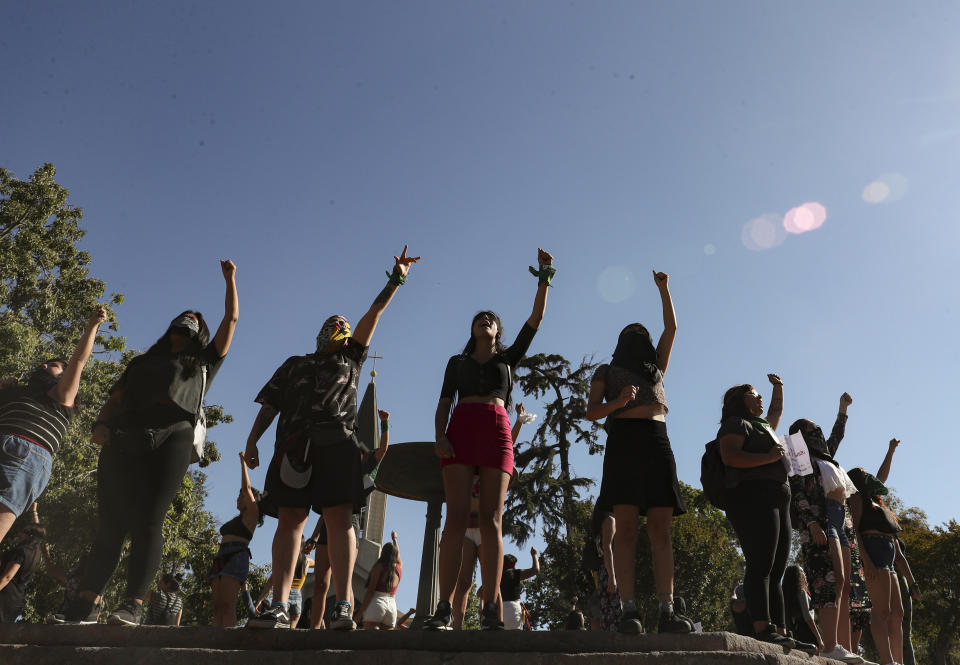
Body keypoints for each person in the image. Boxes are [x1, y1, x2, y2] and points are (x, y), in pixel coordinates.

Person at [245, 247, 419, 631]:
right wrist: (253, 439)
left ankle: (344, 605)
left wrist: (396, 279)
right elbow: (270, 404)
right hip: (293, 444)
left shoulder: (352, 359)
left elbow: (372, 316)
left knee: (339, 518)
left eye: (342, 323)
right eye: (331, 323)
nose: (337, 327)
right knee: (290, 518)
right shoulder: (294, 364)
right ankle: (277, 604)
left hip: (338, 442)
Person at [63, 260, 238, 626]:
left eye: (193, 321)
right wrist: (100, 425)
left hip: (172, 434)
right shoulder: (142, 362)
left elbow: (230, 322)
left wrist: (230, 280)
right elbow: (114, 399)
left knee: (148, 521)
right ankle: (85, 603)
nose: (186, 323)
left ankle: (133, 604)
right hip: (124, 436)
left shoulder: (203, 361)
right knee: (110, 524)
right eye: (182, 318)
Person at [425, 249, 553, 631]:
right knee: (456, 518)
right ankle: (444, 608)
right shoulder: (457, 363)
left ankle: (491, 607)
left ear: (497, 331)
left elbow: (536, 320)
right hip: (461, 427)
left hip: (496, 428)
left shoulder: (508, 359)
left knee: (493, 520)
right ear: (472, 330)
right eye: (479, 319)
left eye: (491, 320)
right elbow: (444, 402)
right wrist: (440, 436)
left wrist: (545, 276)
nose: (484, 321)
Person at [585, 270, 691, 634]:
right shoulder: (606, 369)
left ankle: (667, 609)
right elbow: (591, 411)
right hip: (624, 442)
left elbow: (672, 329)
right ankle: (629, 610)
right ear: (619, 342)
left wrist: (664, 289)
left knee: (661, 528)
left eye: (640, 333)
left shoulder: (657, 368)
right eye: (630, 333)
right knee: (626, 528)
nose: (637, 336)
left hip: (657, 440)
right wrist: (617, 401)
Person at [0, 307, 108, 546]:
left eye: (54, 365)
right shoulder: (16, 394)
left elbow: (79, 361)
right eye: (45, 363)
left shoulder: (61, 395)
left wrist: (93, 325)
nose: (45, 366)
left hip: (26, 455)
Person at [716, 375, 794, 648]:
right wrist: (768, 458)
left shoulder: (763, 426)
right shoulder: (735, 424)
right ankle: (762, 627)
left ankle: (781, 631)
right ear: (739, 401)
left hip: (780, 497)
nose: (760, 398)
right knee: (761, 562)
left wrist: (778, 387)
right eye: (754, 394)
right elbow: (730, 456)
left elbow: (775, 412)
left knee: (777, 568)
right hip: (754, 496)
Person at [788, 393, 864, 663]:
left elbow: (837, 435)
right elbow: (798, 494)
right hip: (819, 524)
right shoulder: (799, 458)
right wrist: (810, 523)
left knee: (843, 583)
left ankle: (844, 648)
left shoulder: (826, 456)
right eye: (812, 429)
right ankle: (830, 644)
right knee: (827, 583)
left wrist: (843, 409)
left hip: (840, 522)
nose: (818, 432)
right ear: (800, 435)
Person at [303, 409, 392, 629]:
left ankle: (344, 618)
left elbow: (382, 451)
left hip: (349, 525)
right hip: (328, 527)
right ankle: (315, 628)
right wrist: (314, 538)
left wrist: (385, 425)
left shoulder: (366, 470)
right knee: (321, 583)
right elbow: (326, 510)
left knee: (345, 581)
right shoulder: (339, 468)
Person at [452, 403, 534, 630]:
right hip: (468, 527)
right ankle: (456, 627)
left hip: (487, 527)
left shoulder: (493, 463)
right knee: (464, 581)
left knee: (492, 583)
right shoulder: (464, 463)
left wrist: (517, 420)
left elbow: (509, 442)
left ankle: (495, 623)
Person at [849, 465, 904, 665]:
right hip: (873, 551)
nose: (870, 476)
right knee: (882, 611)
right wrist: (866, 561)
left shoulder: (876, 501)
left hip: (888, 555)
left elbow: (881, 478)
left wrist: (891, 451)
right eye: (865, 475)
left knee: (897, 614)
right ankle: (888, 661)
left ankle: (899, 661)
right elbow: (853, 530)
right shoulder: (856, 498)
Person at [209, 452, 263, 627]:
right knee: (217, 606)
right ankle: (215, 641)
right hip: (221, 556)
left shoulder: (252, 516)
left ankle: (226, 642)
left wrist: (243, 463)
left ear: (251, 500)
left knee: (227, 605)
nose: (238, 498)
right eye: (238, 495)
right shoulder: (236, 519)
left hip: (236, 555)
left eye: (242, 496)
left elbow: (247, 489)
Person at [0, 519, 47, 622]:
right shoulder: (37, 554)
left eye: (24, 531)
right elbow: (40, 532)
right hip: (17, 599)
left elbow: (7, 576)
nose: (20, 533)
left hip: (4, 596)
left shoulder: (21, 551)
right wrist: (34, 512)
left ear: (31, 536)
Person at [584, 504, 621, 632]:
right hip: (611, 570)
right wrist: (612, 576)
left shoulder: (601, 523)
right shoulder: (610, 520)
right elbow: (607, 548)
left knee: (607, 612)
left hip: (604, 571)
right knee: (615, 611)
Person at [357, 530, 403, 629]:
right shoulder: (399, 568)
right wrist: (395, 539)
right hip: (392, 607)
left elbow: (370, 592)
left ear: (383, 553)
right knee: (385, 643)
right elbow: (398, 555)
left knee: (370, 641)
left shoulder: (379, 567)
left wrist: (359, 614)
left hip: (377, 603)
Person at [782, 564, 824, 656]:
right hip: (809, 632)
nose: (805, 574)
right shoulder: (802, 592)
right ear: (798, 576)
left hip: (797, 634)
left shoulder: (786, 596)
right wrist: (819, 638)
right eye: (802, 571)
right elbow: (808, 617)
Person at [499, 548, 539, 630]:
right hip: (513, 610)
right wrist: (534, 555)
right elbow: (535, 570)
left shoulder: (496, 576)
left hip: (498, 611)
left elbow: (479, 593)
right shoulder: (516, 574)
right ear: (514, 565)